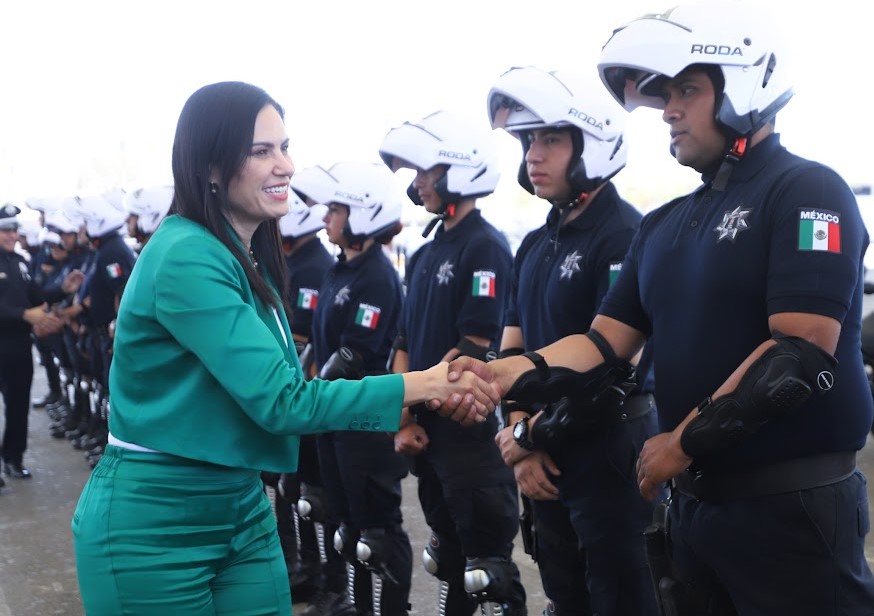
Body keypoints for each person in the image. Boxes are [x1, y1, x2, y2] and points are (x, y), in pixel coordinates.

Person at [442, 3, 874, 614]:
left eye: (688, 91)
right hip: (694, 510)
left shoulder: (809, 190)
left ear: (745, 85)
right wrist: (506, 372)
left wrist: (682, 443)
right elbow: (600, 345)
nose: (669, 109)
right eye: (666, 94)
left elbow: (798, 355)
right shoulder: (666, 223)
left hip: (790, 511)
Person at [70, 81, 499, 616]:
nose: (286, 166)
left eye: (284, 147)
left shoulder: (241, 256)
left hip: (240, 508)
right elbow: (283, 400)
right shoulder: (186, 255)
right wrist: (427, 383)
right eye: (261, 151)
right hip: (159, 523)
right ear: (209, 166)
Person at [486, 66, 661, 616]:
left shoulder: (627, 236)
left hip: (610, 457)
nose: (533, 155)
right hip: (543, 456)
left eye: (552, 139)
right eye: (529, 141)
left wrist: (527, 435)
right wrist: (519, 441)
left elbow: (616, 367)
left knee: (621, 599)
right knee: (565, 599)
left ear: (596, 142)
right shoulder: (534, 244)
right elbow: (509, 353)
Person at [379, 109, 528, 616]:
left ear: (458, 171)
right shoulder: (422, 254)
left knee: (488, 572)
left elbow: (472, 350)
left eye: (426, 172)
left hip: (468, 437)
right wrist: (403, 412)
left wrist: (418, 405)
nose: (418, 184)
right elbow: (402, 341)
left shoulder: (485, 246)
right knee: (446, 558)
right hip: (427, 432)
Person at [302, 160, 413, 616]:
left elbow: (356, 353)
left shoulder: (377, 276)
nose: (326, 218)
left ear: (364, 213)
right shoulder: (338, 269)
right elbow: (318, 342)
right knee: (346, 526)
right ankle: (356, 606)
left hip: (364, 422)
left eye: (336, 209)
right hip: (334, 417)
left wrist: (310, 396)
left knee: (378, 534)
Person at [0, 204, 66, 482]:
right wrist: (23, 314)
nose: (12, 235)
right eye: (5, 230)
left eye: (14, 230)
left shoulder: (21, 263)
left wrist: (64, 289)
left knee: (18, 405)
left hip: (18, 346)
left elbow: (38, 296)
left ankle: (13, 458)